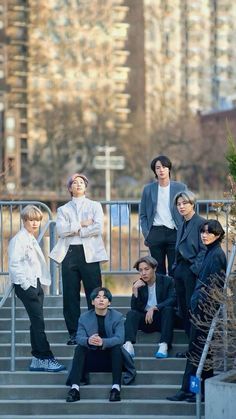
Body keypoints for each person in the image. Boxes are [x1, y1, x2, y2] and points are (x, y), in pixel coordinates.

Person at [167, 219, 227, 402]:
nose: (204, 235)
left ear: (217, 235)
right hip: (201, 309)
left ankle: (191, 390)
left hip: (205, 311)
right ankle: (195, 391)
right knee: (201, 354)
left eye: (209, 232)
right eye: (203, 232)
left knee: (197, 353)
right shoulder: (210, 252)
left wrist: (202, 306)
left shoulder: (216, 255)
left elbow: (214, 285)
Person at [50, 173, 108, 345]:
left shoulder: (95, 206)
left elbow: (98, 227)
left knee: (95, 293)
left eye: (81, 182)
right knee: (70, 295)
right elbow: (60, 230)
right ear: (69, 188)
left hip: (90, 253)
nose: (78, 185)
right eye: (74, 183)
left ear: (86, 186)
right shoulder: (63, 209)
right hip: (69, 253)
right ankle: (74, 333)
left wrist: (76, 230)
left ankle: (97, 330)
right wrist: (82, 224)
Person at [8, 205, 65, 372]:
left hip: (36, 283)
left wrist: (37, 285)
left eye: (37, 221)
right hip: (27, 286)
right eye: (31, 220)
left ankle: (36, 359)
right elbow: (14, 265)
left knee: (36, 323)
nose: (34, 224)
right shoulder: (19, 239)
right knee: (38, 322)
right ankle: (46, 357)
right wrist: (27, 286)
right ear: (24, 221)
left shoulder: (31, 238)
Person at [66, 287, 124, 403]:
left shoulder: (117, 316)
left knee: (117, 348)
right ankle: (75, 389)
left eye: (104, 297)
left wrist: (104, 342)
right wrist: (88, 340)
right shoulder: (84, 317)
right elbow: (79, 337)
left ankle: (116, 389)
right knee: (80, 348)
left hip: (111, 360)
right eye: (97, 297)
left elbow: (120, 338)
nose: (101, 300)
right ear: (92, 302)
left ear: (109, 302)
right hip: (91, 360)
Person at [140, 155, 187, 275]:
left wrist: (184, 230)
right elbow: (143, 214)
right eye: (158, 167)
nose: (161, 170)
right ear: (154, 171)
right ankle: (160, 294)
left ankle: (174, 294)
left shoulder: (180, 187)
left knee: (175, 268)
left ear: (169, 169)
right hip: (155, 232)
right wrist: (147, 234)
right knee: (157, 270)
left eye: (164, 167)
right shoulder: (148, 189)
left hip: (174, 231)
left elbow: (187, 208)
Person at [123, 256, 176, 359]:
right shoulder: (138, 284)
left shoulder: (167, 281)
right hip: (146, 320)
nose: (143, 273)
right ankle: (128, 345)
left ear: (154, 268)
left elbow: (173, 299)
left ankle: (164, 345)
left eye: (147, 269)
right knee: (131, 314)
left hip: (161, 319)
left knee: (168, 310)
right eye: (141, 270)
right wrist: (135, 291)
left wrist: (155, 307)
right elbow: (135, 308)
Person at [172, 191, 206, 339]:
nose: (181, 206)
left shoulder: (201, 223)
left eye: (184, 203)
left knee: (191, 306)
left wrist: (194, 269)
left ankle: (193, 343)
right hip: (180, 269)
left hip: (191, 270)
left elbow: (204, 249)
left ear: (192, 204)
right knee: (183, 307)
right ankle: (188, 339)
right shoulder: (181, 224)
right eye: (178, 204)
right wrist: (175, 267)